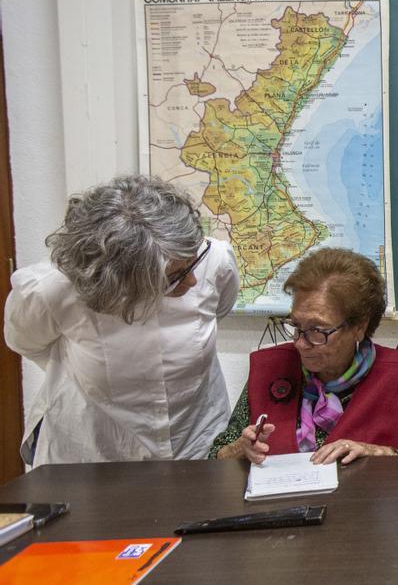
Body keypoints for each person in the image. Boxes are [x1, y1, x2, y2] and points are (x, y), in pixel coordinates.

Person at [4, 175, 238, 465]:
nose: (192, 280)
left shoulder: (214, 261)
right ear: (120, 280)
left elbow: (219, 311)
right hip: (94, 454)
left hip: (195, 443)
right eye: (173, 276)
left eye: (192, 264)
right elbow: (26, 343)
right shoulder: (51, 291)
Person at [211, 248, 398, 462]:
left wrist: (379, 453)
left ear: (359, 326)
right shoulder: (271, 368)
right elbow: (216, 458)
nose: (300, 343)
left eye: (318, 331)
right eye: (296, 326)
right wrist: (239, 450)